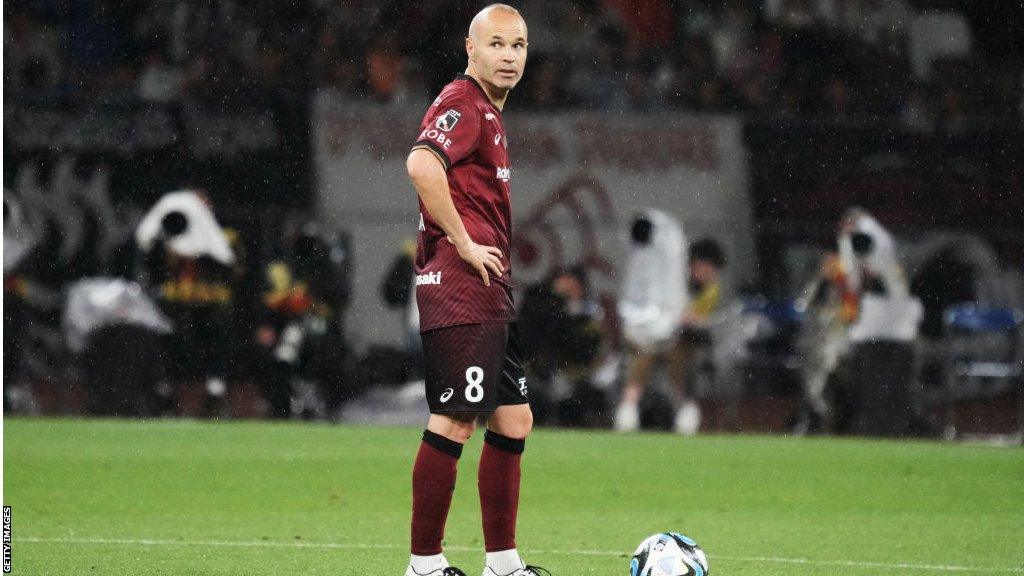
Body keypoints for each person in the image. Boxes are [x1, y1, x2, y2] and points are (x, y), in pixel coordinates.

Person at [403, 5, 546, 576]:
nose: (509, 56)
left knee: (513, 420)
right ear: (470, 47)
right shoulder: (463, 102)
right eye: (496, 44)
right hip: (461, 285)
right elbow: (420, 164)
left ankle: (504, 565)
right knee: (456, 419)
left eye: (518, 45)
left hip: (489, 289)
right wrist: (461, 241)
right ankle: (424, 565)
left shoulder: (487, 110)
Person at [613, 210, 697, 434]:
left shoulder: (671, 248)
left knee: (676, 356)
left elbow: (674, 290)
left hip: (671, 331)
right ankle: (629, 407)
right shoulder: (636, 257)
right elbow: (630, 300)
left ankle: (685, 408)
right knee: (643, 355)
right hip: (641, 332)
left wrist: (673, 321)